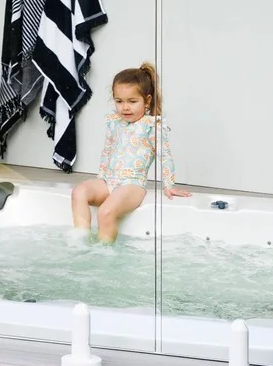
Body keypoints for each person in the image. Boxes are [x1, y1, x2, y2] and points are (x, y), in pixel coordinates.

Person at [72, 62, 190, 244]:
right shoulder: (115, 122)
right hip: (109, 181)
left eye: (132, 102)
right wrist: (101, 178)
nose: (125, 107)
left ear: (147, 100)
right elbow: (107, 150)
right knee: (79, 192)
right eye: (119, 101)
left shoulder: (151, 126)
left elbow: (164, 155)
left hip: (132, 185)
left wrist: (169, 184)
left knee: (105, 212)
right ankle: (79, 240)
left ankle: (103, 253)